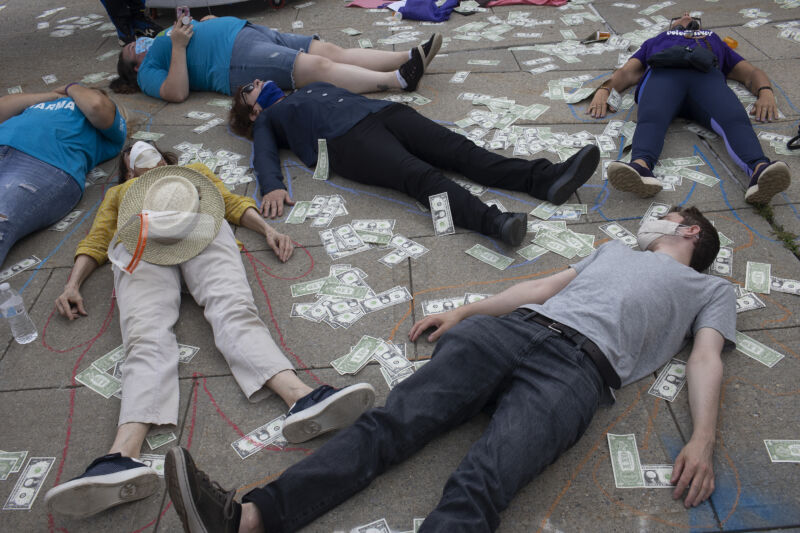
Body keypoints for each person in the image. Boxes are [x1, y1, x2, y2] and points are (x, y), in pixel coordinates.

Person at [165, 204, 736, 533]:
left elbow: (706, 357)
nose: (654, 219)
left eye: (668, 214)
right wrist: (465, 309)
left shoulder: (709, 288)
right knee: (390, 424)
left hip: (578, 370)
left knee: (484, 481)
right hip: (511, 330)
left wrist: (703, 440)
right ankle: (250, 520)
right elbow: (541, 286)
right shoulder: (613, 251)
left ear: (690, 231)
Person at [43, 142, 376, 519]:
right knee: (144, 335)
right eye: (130, 155)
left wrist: (267, 230)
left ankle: (301, 398)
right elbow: (99, 237)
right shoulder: (121, 193)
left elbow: (231, 203)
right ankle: (122, 457)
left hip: (200, 228)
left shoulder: (195, 173)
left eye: (149, 147)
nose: (139, 151)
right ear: (128, 170)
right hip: (140, 242)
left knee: (232, 308)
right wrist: (73, 283)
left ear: (165, 156)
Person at [230, 79, 601, 246]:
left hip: (386, 113)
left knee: (461, 151)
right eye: (251, 87)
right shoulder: (268, 119)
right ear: (253, 111)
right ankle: (494, 223)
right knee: (418, 177)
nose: (259, 81)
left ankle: (546, 179)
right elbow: (262, 152)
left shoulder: (309, 87)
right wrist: (272, 184)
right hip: (349, 140)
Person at [587, 12, 792, 205]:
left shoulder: (712, 38)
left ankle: (760, 170)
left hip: (705, 77)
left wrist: (765, 91)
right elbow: (627, 73)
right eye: (680, 16)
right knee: (652, 118)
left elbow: (750, 73)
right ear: (671, 25)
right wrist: (605, 89)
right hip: (663, 75)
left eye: (692, 16)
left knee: (733, 118)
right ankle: (640, 168)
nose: (686, 16)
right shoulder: (656, 40)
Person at [110, 13, 441, 102]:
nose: (139, 42)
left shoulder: (160, 41)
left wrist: (201, 25)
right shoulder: (146, 73)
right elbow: (176, 92)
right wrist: (179, 46)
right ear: (134, 66)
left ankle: (409, 56)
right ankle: (397, 80)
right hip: (233, 59)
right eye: (132, 48)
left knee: (329, 50)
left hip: (245, 32)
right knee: (317, 68)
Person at [0, 84, 126, 268]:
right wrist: (51, 95)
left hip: (43, 162)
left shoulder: (108, 123)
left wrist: (71, 87)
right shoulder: (41, 104)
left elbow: (96, 106)